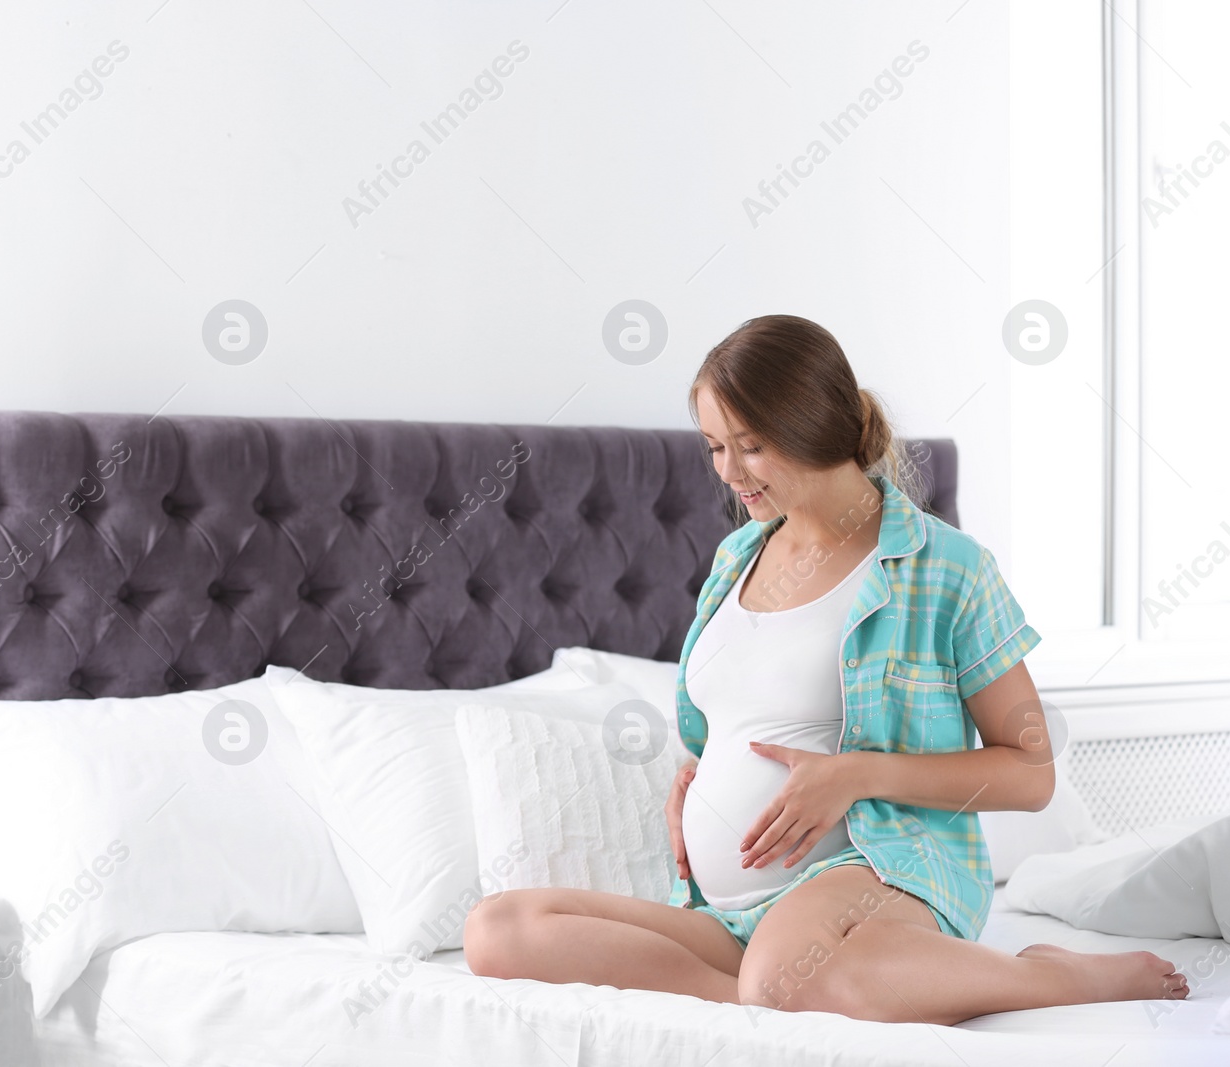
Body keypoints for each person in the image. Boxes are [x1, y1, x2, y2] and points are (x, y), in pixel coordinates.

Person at [463, 314, 1189, 1024]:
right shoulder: (735, 560)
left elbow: (1031, 774)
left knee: (784, 973)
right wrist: (691, 778)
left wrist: (857, 774)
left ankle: (1041, 974)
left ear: (813, 425)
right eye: (715, 446)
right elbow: (731, 720)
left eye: (750, 446)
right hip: (730, 914)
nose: (728, 472)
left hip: (876, 877)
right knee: (498, 928)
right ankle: (760, 989)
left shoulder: (944, 566)